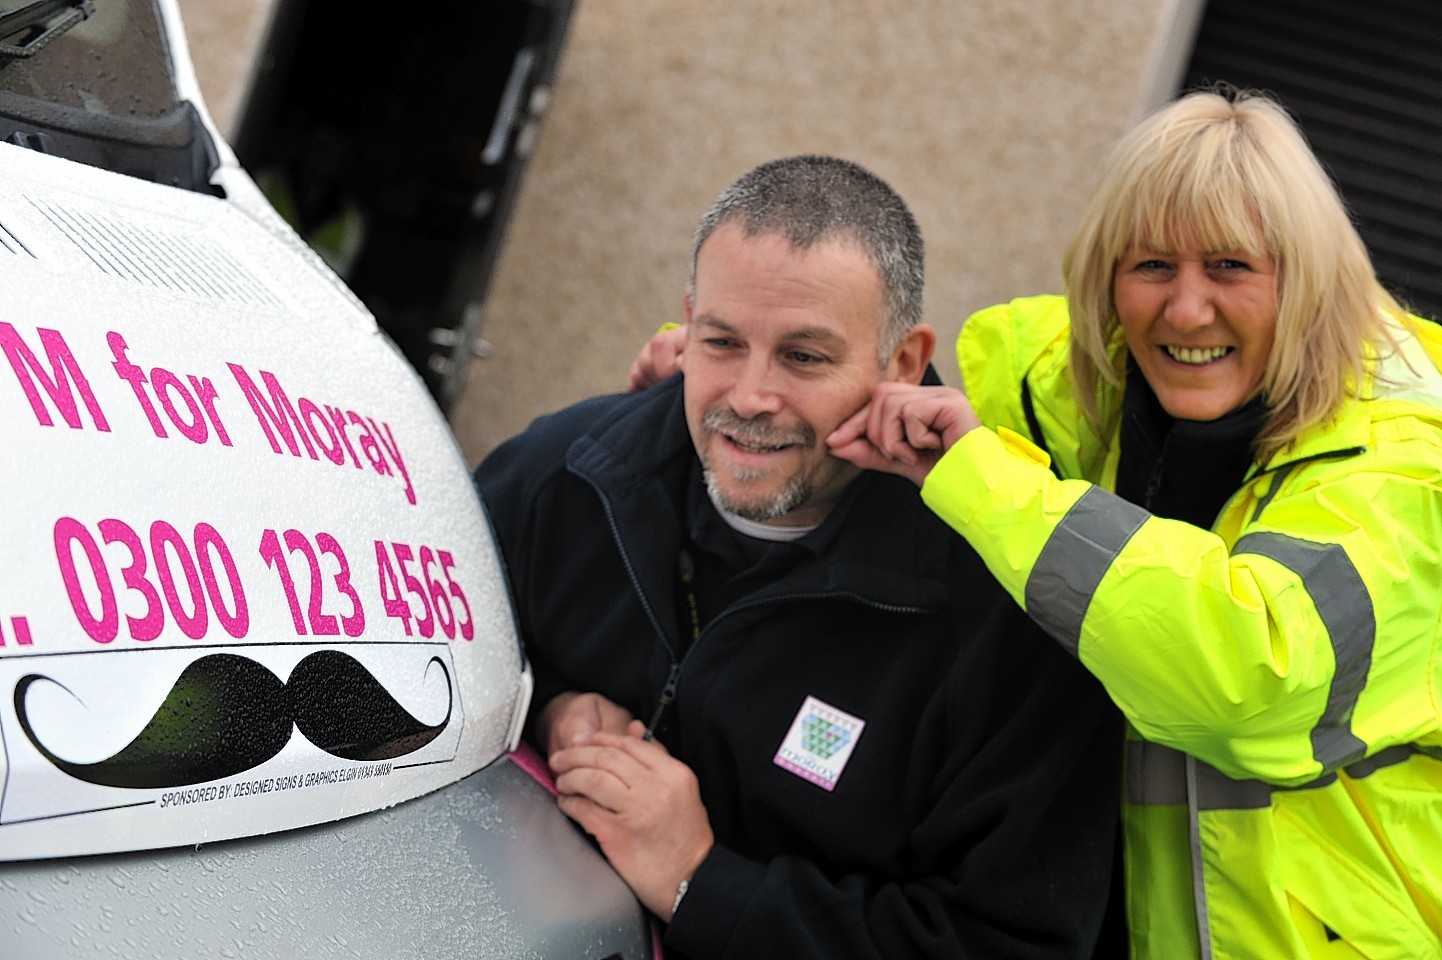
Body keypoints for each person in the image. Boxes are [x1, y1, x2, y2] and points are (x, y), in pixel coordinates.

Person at [820, 90, 1442, 959]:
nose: (1185, 312)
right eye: (1151, 266)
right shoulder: (1079, 382)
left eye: (1231, 266)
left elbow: (1249, 678)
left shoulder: (1413, 467)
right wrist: (712, 380)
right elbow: (843, 371)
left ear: (1305, 279)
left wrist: (986, 483)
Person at [474, 155, 1120, 960]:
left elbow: (1006, 944)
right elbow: (414, 670)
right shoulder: (561, 474)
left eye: (804, 357)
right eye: (722, 342)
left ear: (904, 363)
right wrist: (547, 711)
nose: (749, 397)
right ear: (688, 320)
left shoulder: (1010, 619)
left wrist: (700, 881)